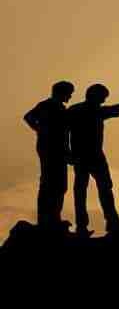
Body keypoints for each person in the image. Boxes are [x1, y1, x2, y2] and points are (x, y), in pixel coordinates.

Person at [68, 77, 119, 237]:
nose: (104, 101)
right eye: (103, 97)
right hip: (88, 156)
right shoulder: (90, 111)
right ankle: (105, 225)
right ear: (95, 96)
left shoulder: (78, 110)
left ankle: (96, 225)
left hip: (87, 156)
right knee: (93, 190)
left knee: (89, 190)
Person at [23, 81, 75, 230]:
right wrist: (41, 131)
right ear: (62, 92)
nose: (70, 96)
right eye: (69, 93)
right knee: (49, 184)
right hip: (50, 149)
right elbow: (28, 117)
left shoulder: (60, 108)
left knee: (59, 185)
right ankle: (47, 220)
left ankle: (53, 218)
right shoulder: (46, 105)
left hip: (60, 149)